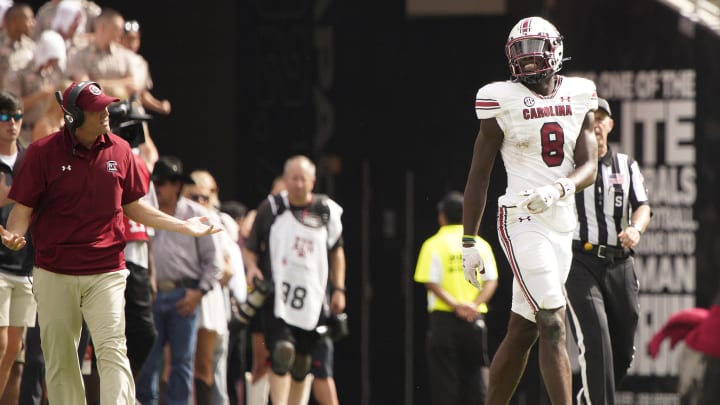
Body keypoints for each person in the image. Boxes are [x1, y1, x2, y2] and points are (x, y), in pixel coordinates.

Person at [0, 81, 221, 405]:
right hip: (53, 271)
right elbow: (23, 210)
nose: (106, 113)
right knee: (60, 356)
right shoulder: (41, 152)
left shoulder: (121, 151)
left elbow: (135, 206)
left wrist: (183, 226)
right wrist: (14, 237)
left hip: (106, 270)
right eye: (97, 109)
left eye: (106, 106)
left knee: (113, 347)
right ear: (74, 116)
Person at [461, 16, 598, 405]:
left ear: (554, 49)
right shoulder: (499, 98)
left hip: (560, 219)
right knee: (553, 321)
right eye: (519, 51)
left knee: (523, 330)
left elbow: (590, 163)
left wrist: (561, 187)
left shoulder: (580, 93)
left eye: (533, 49)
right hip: (522, 219)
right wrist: (469, 239)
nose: (527, 59)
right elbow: (479, 175)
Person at [565, 98, 651, 405]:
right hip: (580, 261)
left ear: (610, 125)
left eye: (602, 119)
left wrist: (635, 230)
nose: (597, 125)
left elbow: (642, 206)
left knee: (623, 351)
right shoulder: (570, 166)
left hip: (619, 263)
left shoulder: (626, 165)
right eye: (592, 119)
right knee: (596, 339)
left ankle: (587, 398)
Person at [243, 155, 345, 405]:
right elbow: (251, 247)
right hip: (279, 298)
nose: (298, 184)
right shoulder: (272, 208)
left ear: (312, 181)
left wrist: (339, 288)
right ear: (285, 180)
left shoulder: (326, 210)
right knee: (282, 353)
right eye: (294, 179)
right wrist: (252, 268)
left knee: (303, 363)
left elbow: (337, 251)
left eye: (303, 179)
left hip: (314, 297)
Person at [135, 156, 223, 405]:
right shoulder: (145, 210)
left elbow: (214, 262)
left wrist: (199, 292)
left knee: (182, 363)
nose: (157, 187)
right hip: (152, 294)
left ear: (176, 185)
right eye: (155, 182)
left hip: (183, 294)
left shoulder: (197, 213)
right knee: (148, 361)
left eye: (162, 182)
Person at [415, 191, 499, 405]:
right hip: (474, 319)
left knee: (445, 379)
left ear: (442, 216)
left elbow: (430, 281)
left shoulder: (434, 244)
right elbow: (491, 281)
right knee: (477, 375)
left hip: (444, 319)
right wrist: (474, 305)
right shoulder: (479, 244)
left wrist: (456, 306)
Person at [0, 92, 35, 399]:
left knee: (14, 349)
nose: (12, 123)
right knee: (0, 345)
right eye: (4, 117)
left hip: (25, 266)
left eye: (17, 116)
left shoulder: (30, 159)